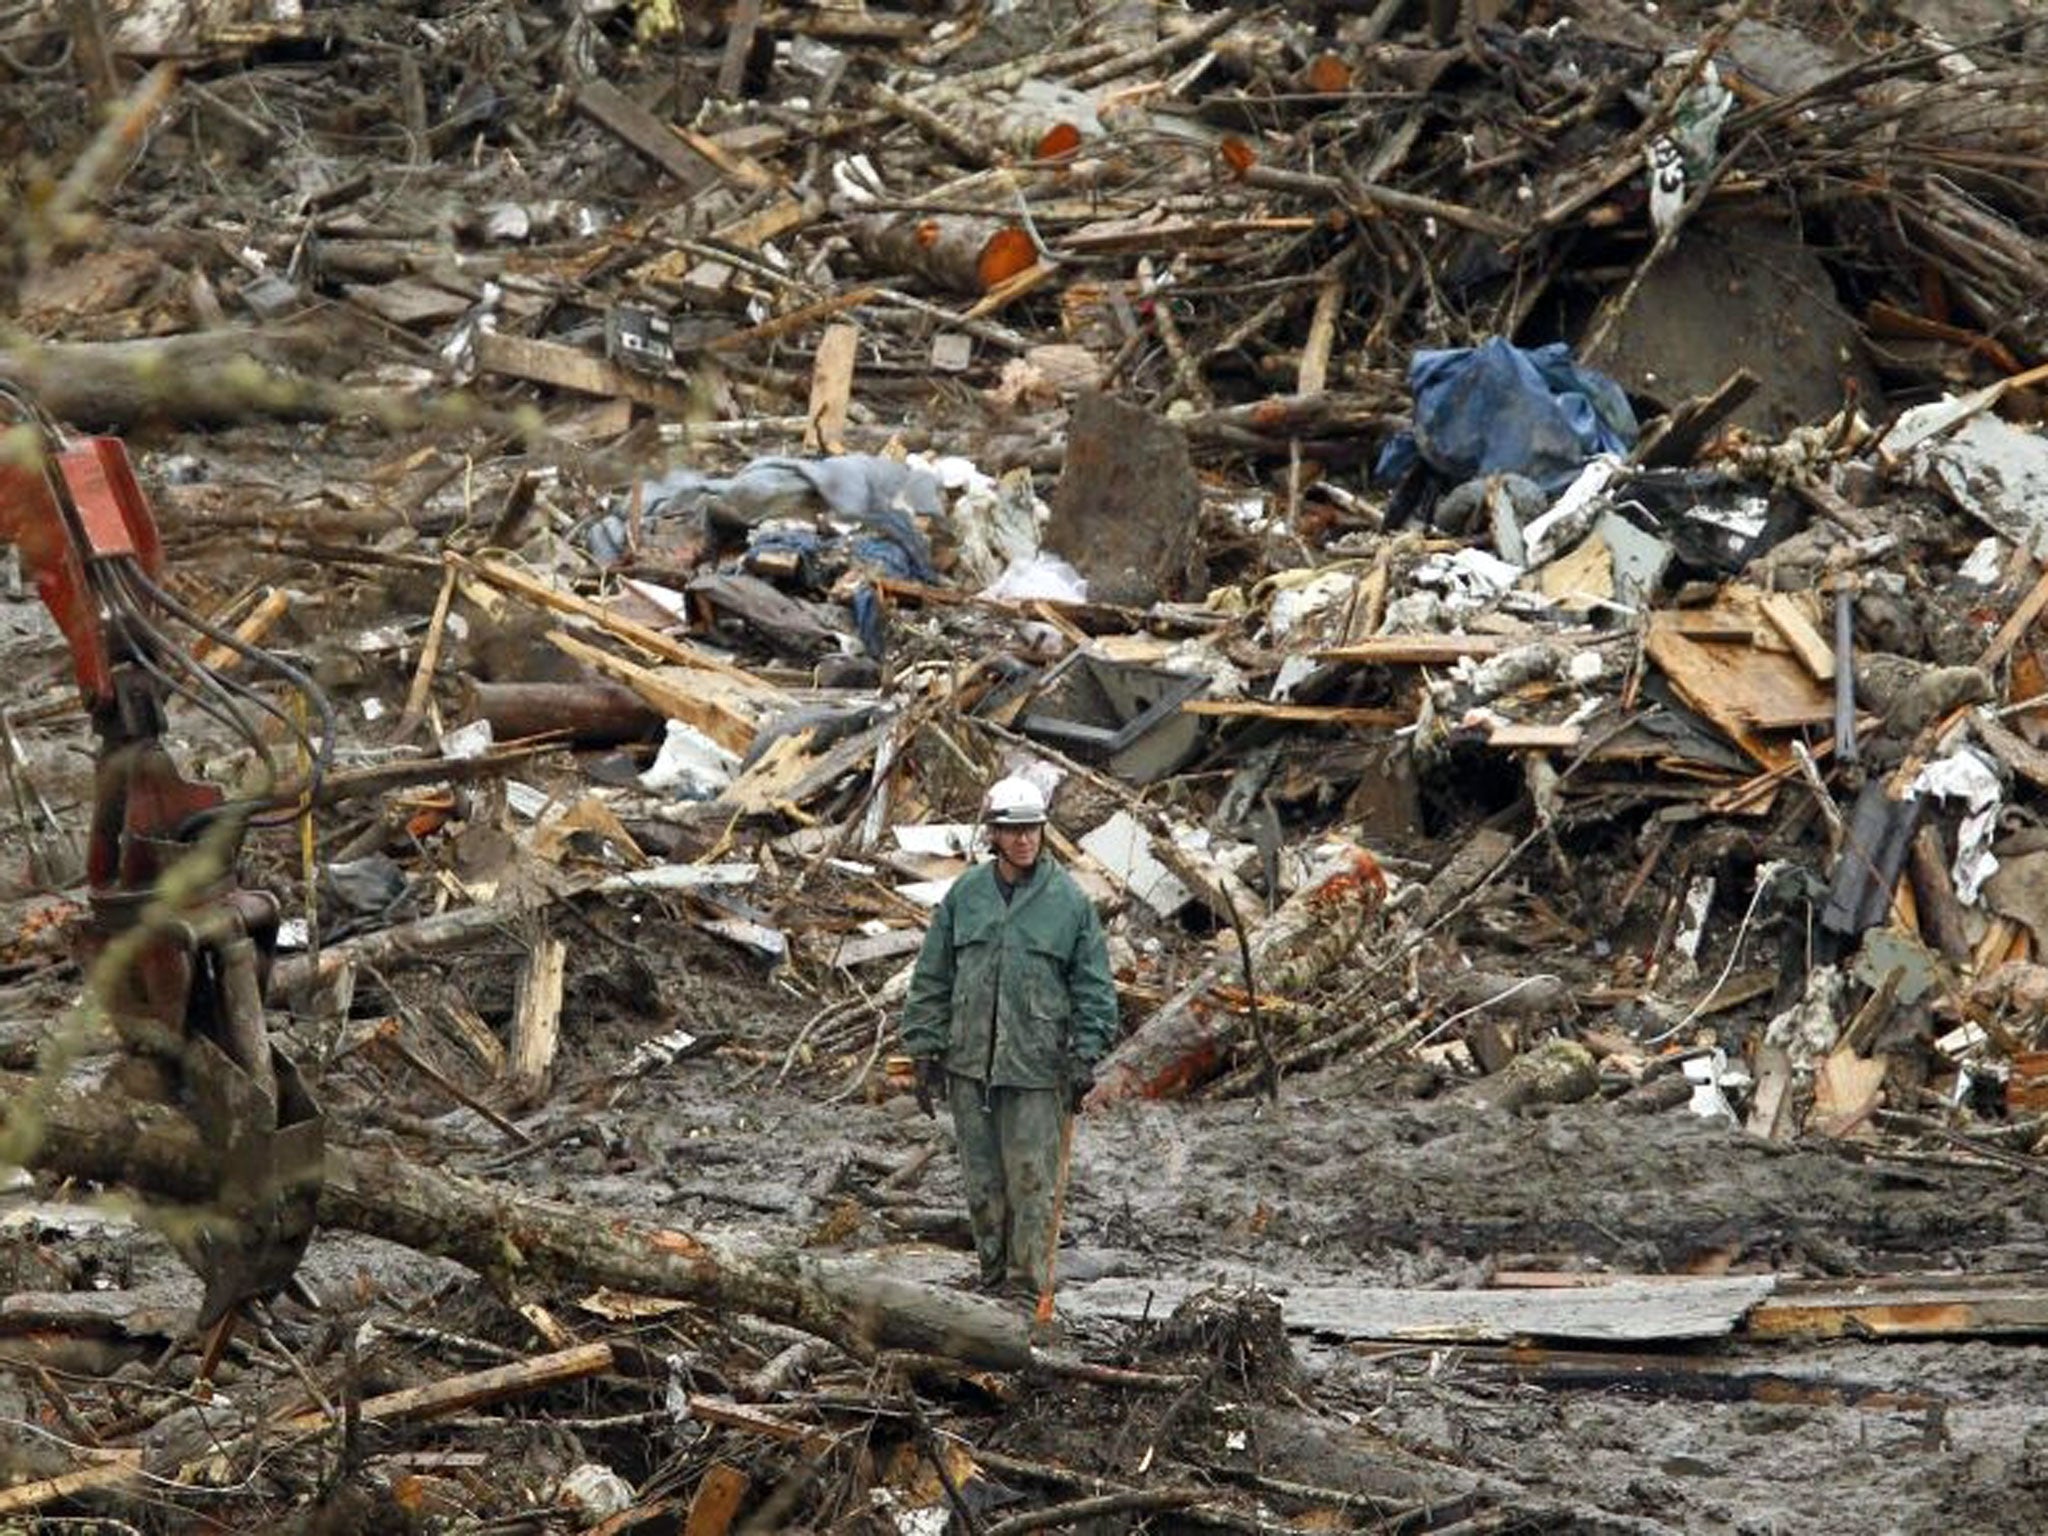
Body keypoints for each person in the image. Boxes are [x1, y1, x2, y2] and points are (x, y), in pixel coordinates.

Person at [901, 774, 1118, 1303]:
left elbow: (1094, 986)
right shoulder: (966, 896)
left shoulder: (1068, 902)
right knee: (982, 1186)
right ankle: (992, 1283)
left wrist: (1084, 1056)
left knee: (1031, 1185)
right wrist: (924, 1050)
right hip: (970, 1064)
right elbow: (933, 975)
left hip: (1037, 1068)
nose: (1024, 840)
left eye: (1033, 830)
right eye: (1013, 830)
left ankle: (1025, 1295)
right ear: (993, 834)